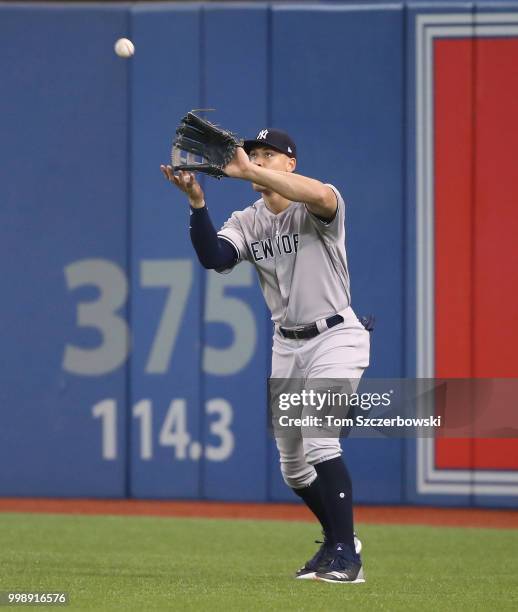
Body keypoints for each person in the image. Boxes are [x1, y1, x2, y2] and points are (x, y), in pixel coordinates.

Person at [160, 127, 370, 584]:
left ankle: (346, 560)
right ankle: (340, 539)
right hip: (286, 345)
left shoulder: (319, 202)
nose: (257, 160)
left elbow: (318, 194)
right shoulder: (248, 219)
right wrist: (197, 202)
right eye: (253, 153)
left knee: (319, 438)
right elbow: (215, 257)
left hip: (335, 336)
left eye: (268, 155)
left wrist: (249, 170)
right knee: (293, 467)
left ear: (290, 164)